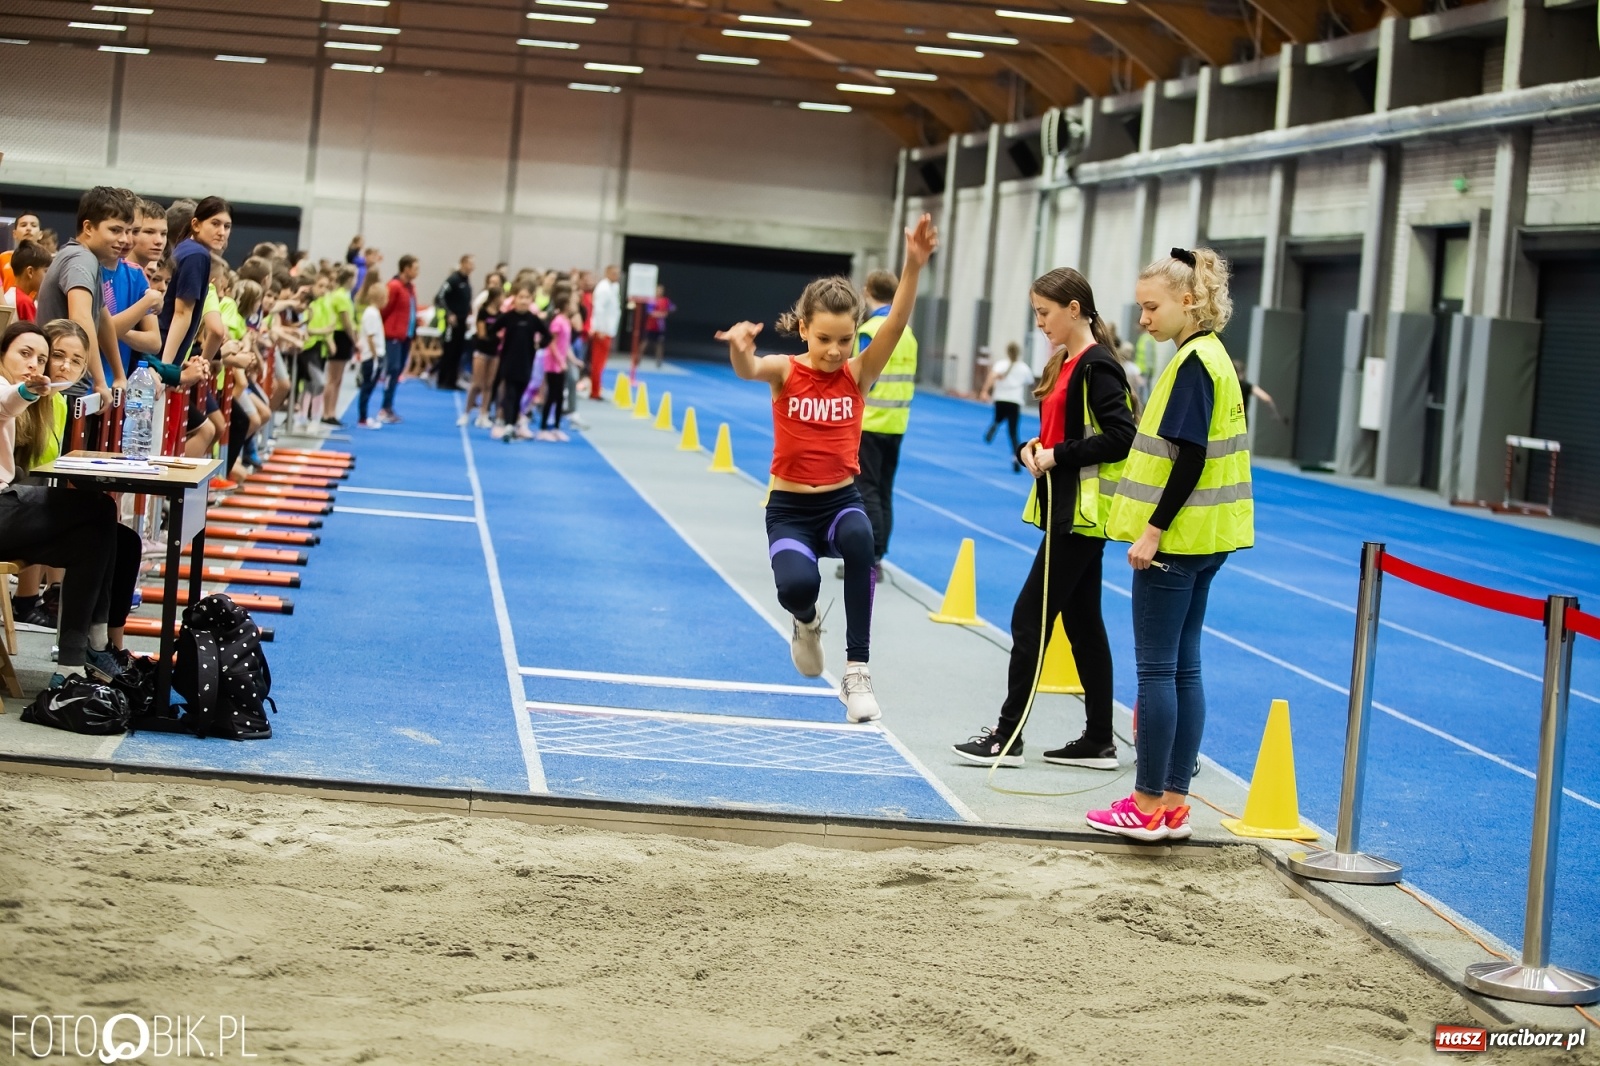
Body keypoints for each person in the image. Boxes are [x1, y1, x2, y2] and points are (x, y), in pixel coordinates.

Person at [716, 215, 937, 724]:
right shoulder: (785, 371)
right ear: (802, 329)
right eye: (824, 340)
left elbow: (897, 322)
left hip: (840, 501)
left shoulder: (859, 374)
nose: (836, 351)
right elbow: (749, 369)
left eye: (845, 340)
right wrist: (738, 348)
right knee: (795, 587)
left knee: (862, 541)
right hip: (790, 509)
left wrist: (913, 265)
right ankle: (806, 621)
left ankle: (856, 671)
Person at [1087, 247, 1254, 842]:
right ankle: (1175, 803)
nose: (1142, 320)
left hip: (1174, 542)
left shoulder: (1191, 365)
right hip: (1208, 539)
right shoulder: (1214, 357)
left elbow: (1189, 457)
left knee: (1157, 670)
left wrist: (1153, 528)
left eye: (1150, 307)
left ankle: (1146, 801)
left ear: (1189, 302)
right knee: (1185, 668)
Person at [953, 269, 1136, 769]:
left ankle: (1007, 736)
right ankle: (1099, 739)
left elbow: (1123, 436)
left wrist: (1058, 456)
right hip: (1061, 508)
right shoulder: (1063, 362)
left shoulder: (1097, 365)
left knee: (1028, 617)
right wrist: (1030, 448)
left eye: (1045, 312)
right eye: (1036, 313)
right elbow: (1051, 433)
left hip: (1077, 515)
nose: (1039, 323)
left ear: (1074, 309)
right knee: (1083, 624)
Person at [0, 322, 128, 682]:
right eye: (24, 354)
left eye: (41, 358)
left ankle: (72, 663)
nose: (34, 365)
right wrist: (26, 391)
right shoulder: (8, 388)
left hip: (8, 505)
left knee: (93, 538)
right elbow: (6, 403)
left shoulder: (40, 396)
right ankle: (96, 645)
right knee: (100, 509)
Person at [34, 187, 133, 407]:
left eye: (127, 231)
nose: (124, 239)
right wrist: (99, 381)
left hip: (66, 386)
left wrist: (119, 375)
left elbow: (101, 314)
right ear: (88, 227)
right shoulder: (81, 259)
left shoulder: (88, 259)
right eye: (115, 230)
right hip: (63, 389)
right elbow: (80, 316)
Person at [851, 269, 917, 577]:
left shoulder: (871, 328)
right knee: (885, 491)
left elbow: (863, 376)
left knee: (867, 491)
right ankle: (879, 554)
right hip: (897, 422)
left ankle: (870, 557)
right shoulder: (908, 333)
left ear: (867, 291)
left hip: (871, 422)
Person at [492, 285, 550, 442]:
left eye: (527, 298)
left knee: (519, 393)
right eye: (520, 297)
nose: (523, 301)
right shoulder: (508, 317)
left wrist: (539, 346)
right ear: (515, 300)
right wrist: (499, 341)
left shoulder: (533, 319)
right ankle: (508, 424)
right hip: (509, 360)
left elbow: (547, 335)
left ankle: (514, 422)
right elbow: (493, 328)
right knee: (509, 392)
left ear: (531, 300)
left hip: (526, 361)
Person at [980, 341, 1035, 473]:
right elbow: (1032, 383)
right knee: (1013, 432)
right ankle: (1015, 458)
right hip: (1014, 401)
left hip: (1000, 400)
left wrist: (985, 391)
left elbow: (991, 377)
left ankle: (995, 424)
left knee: (998, 417)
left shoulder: (1001, 365)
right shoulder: (1024, 368)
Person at [378, 255, 419, 424]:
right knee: (392, 369)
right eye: (415, 268)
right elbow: (384, 309)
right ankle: (384, 407)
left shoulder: (410, 288)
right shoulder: (394, 286)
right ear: (406, 268)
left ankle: (389, 406)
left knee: (398, 371)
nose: (417, 272)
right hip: (393, 335)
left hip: (405, 335)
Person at [319, 264, 359, 425]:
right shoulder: (341, 296)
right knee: (333, 378)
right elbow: (346, 321)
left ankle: (332, 411)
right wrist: (355, 340)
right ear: (349, 279)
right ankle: (327, 412)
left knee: (338, 378)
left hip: (342, 336)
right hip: (340, 336)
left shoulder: (343, 295)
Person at [463, 272, 504, 428]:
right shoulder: (483, 312)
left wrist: (498, 337)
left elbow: (502, 332)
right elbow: (482, 334)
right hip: (481, 350)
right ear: (495, 298)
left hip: (494, 352)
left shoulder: (501, 315)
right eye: (501, 297)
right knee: (477, 384)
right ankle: (466, 413)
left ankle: (483, 414)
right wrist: (496, 335)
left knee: (489, 385)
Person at [538, 284, 574, 441]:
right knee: (552, 395)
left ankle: (557, 427)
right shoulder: (557, 321)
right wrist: (560, 361)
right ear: (565, 305)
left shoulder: (566, 320)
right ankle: (544, 427)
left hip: (561, 362)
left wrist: (573, 359)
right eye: (571, 303)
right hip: (553, 363)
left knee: (559, 396)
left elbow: (566, 344)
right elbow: (552, 343)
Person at [436, 254, 475, 392]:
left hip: (463, 322)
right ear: (463, 263)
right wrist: (449, 313)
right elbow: (439, 297)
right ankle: (443, 380)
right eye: (470, 263)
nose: (473, 266)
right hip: (452, 323)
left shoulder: (466, 281)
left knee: (458, 351)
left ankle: (452, 380)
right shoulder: (453, 279)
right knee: (449, 351)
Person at [354, 277, 388, 429]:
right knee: (367, 388)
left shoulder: (373, 312)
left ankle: (364, 416)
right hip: (371, 357)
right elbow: (370, 337)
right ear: (381, 298)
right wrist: (375, 358)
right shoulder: (372, 314)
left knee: (369, 387)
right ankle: (362, 417)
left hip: (374, 355)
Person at [589, 264, 620, 401]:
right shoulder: (603, 288)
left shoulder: (614, 287)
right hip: (602, 331)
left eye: (617, 273)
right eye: (613, 273)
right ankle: (595, 391)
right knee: (598, 362)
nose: (616, 276)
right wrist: (600, 329)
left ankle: (597, 388)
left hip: (609, 329)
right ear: (607, 273)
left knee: (602, 363)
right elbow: (599, 310)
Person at [7, 241, 51, 323]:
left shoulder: (10, 295)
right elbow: (34, 334)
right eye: (45, 271)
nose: (48, 277)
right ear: (30, 272)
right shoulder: (24, 302)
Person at [1, 212, 42, 292]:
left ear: (40, 234)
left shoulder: (46, 263)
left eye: (33, 225)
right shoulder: (3, 258)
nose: (28, 229)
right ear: (14, 234)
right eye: (23, 225)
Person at [646, 284, 675, 367]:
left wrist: (667, 311)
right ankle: (637, 359)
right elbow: (650, 312)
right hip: (651, 326)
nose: (659, 292)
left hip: (660, 327)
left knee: (659, 344)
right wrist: (660, 314)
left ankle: (659, 361)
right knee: (646, 342)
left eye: (661, 290)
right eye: (658, 290)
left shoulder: (665, 300)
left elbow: (672, 308)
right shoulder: (652, 300)